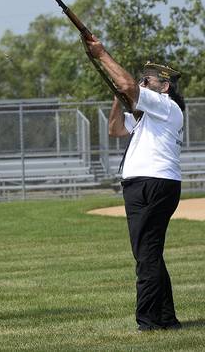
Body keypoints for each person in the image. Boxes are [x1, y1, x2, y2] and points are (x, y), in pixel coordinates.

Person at [85, 37, 186, 332]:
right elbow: (116, 129)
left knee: (145, 255)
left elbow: (130, 87)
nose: (142, 83)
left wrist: (102, 53)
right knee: (149, 252)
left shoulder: (165, 105)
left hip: (152, 183)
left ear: (164, 87)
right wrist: (118, 98)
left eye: (147, 80)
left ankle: (149, 321)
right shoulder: (148, 116)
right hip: (148, 183)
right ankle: (166, 316)